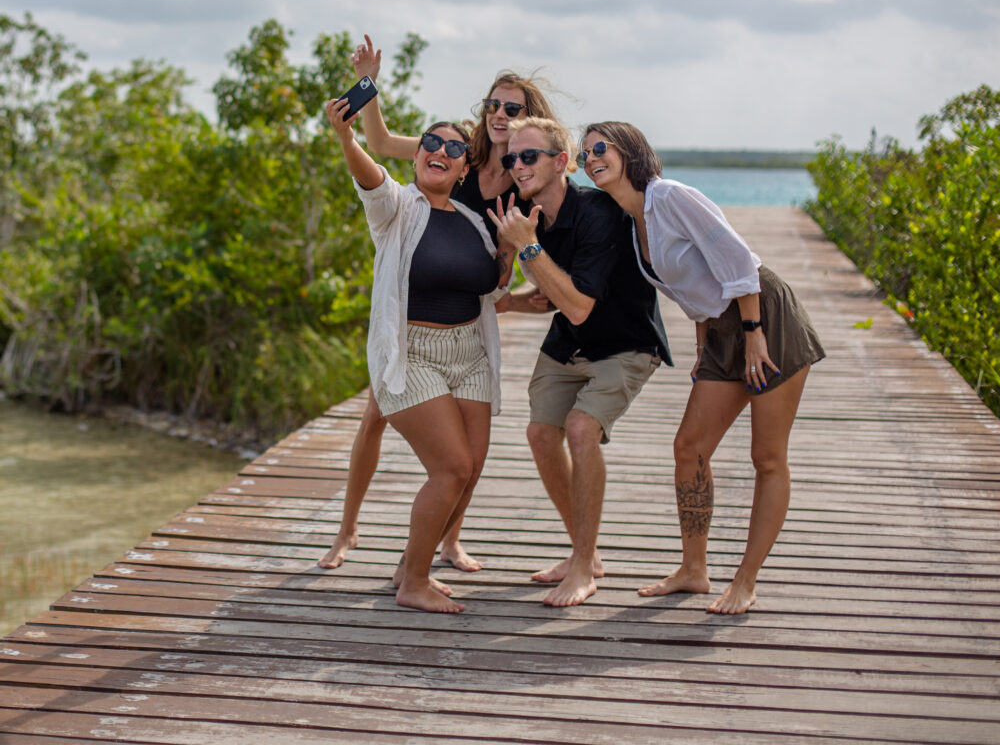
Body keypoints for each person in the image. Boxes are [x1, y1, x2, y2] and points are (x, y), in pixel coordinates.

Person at [319, 36, 559, 572]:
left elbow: (500, 262)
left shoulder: (524, 179)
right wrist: (367, 87)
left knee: (468, 457)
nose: (498, 114)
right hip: (414, 278)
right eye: (492, 105)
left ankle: (448, 540)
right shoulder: (460, 155)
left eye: (511, 108)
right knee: (376, 415)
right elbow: (376, 146)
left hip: (467, 306)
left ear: (529, 118)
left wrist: (518, 298)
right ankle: (348, 528)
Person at [578, 121, 825, 614]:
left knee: (767, 457)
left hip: (763, 316)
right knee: (690, 447)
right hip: (720, 331)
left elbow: (737, 261)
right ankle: (694, 570)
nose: (591, 158)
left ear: (630, 152)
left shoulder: (668, 196)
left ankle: (746, 580)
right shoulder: (632, 222)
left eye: (600, 147)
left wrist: (753, 335)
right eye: (584, 153)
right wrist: (703, 342)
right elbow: (689, 286)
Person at [325, 98, 512, 612]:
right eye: (431, 141)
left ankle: (410, 566)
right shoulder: (398, 208)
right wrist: (347, 139)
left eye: (454, 147)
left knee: (470, 469)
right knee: (450, 468)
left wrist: (512, 252)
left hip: (471, 353)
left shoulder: (476, 221)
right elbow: (372, 176)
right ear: (417, 156)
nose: (440, 150)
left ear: (463, 167)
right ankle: (415, 583)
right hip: (412, 355)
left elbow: (490, 285)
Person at [489, 116, 672, 607]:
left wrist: (526, 246)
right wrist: (513, 299)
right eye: (511, 159)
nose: (518, 166)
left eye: (529, 157)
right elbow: (553, 299)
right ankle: (583, 555)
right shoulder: (534, 218)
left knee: (580, 428)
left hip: (625, 341)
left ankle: (584, 567)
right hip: (570, 341)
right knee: (539, 433)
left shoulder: (597, 213)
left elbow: (578, 303)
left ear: (561, 163)